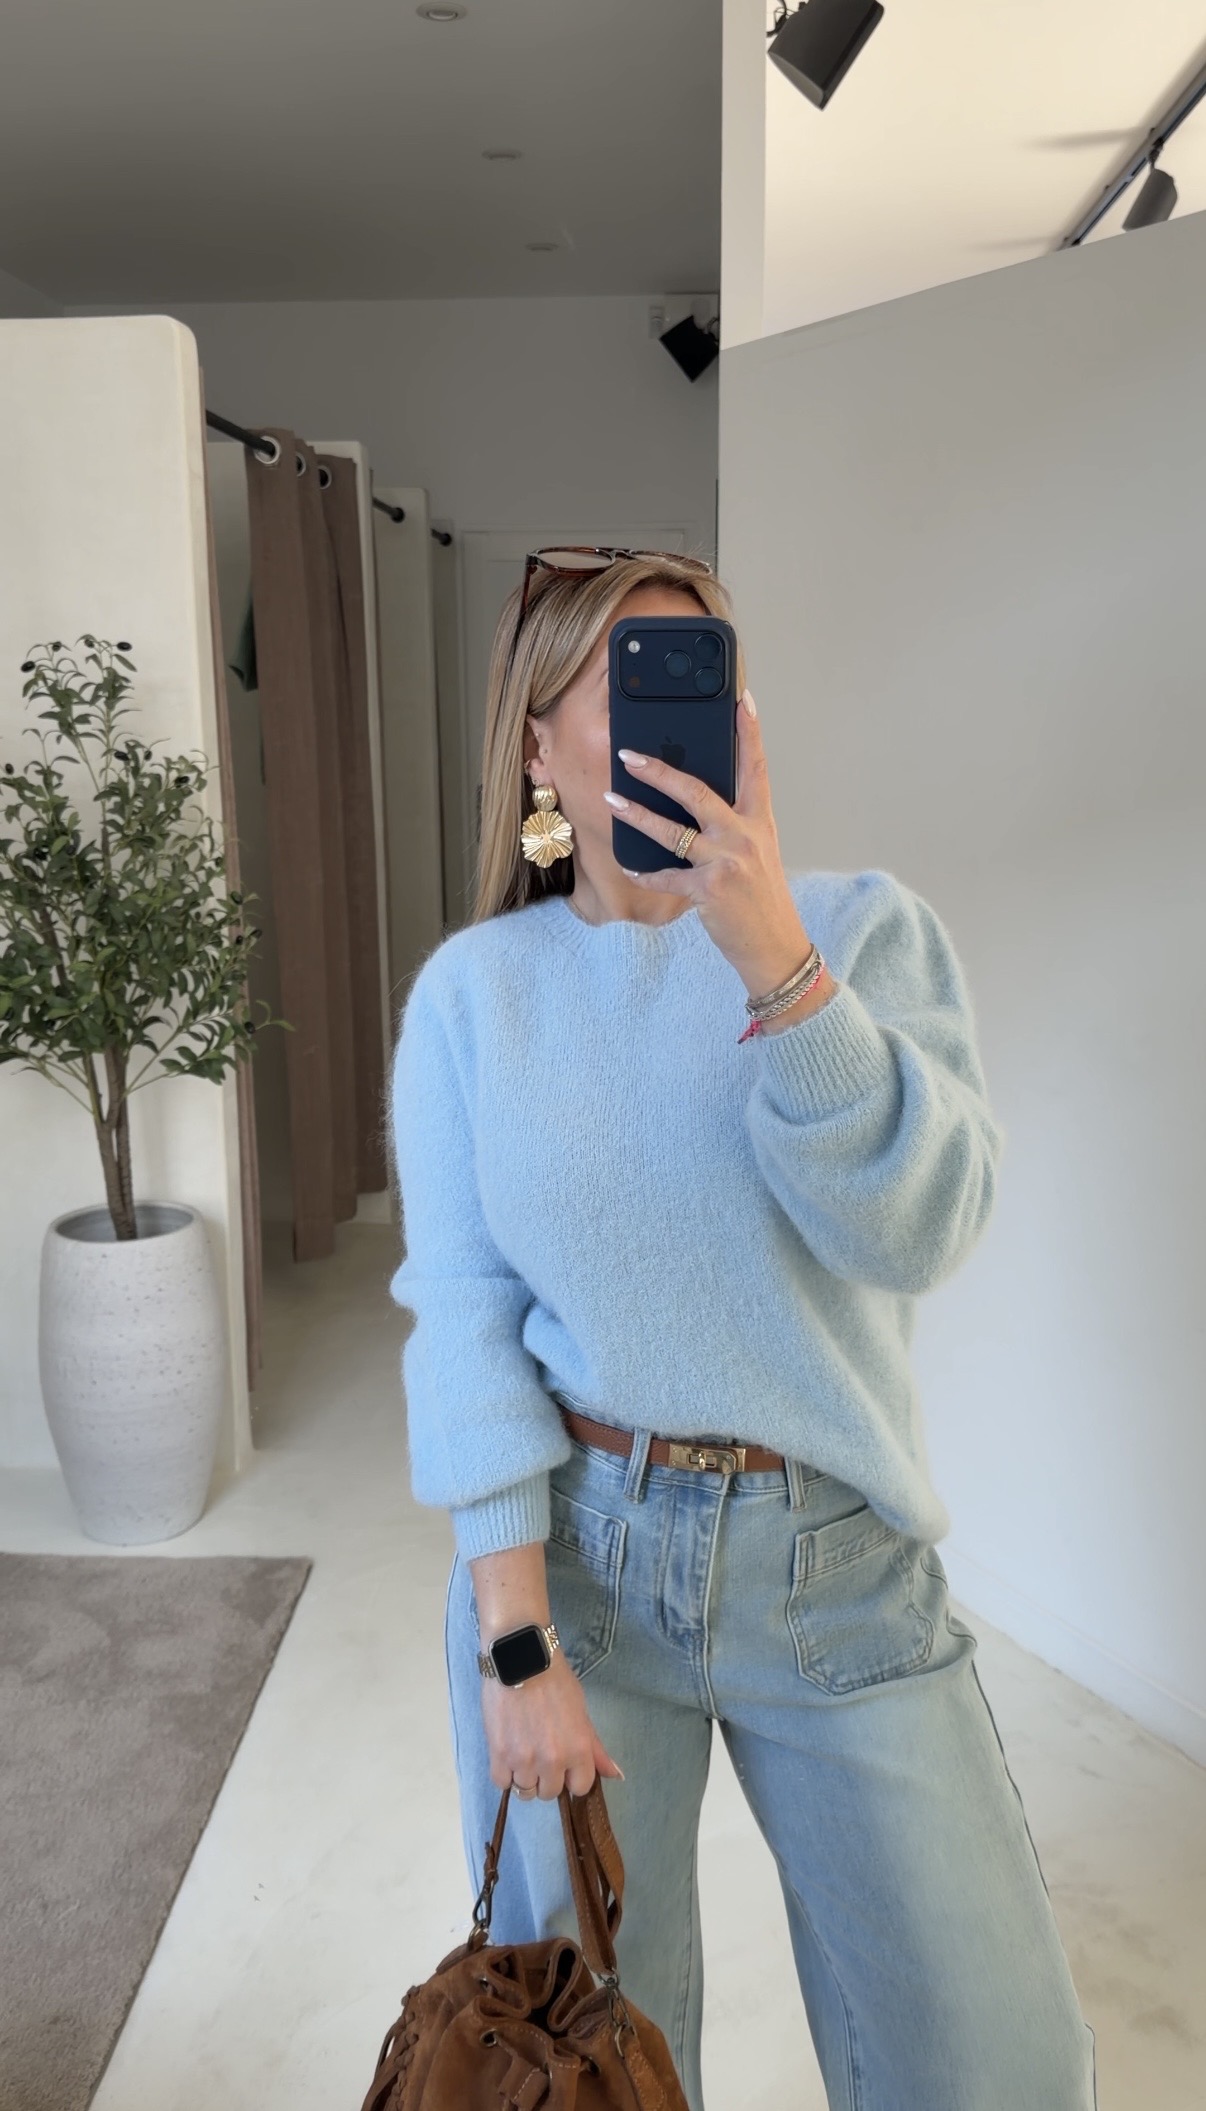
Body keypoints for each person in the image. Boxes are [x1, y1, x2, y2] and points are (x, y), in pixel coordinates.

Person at [388, 550, 1098, 2111]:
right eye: (626, 682)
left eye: (702, 677)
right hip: (575, 1571)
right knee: (584, 2061)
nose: (674, 718)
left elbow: (918, 1232)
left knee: (996, 2065)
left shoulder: (858, 932)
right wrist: (515, 1643)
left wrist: (777, 964)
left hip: (834, 1570)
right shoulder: (475, 997)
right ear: (535, 745)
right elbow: (463, 1323)